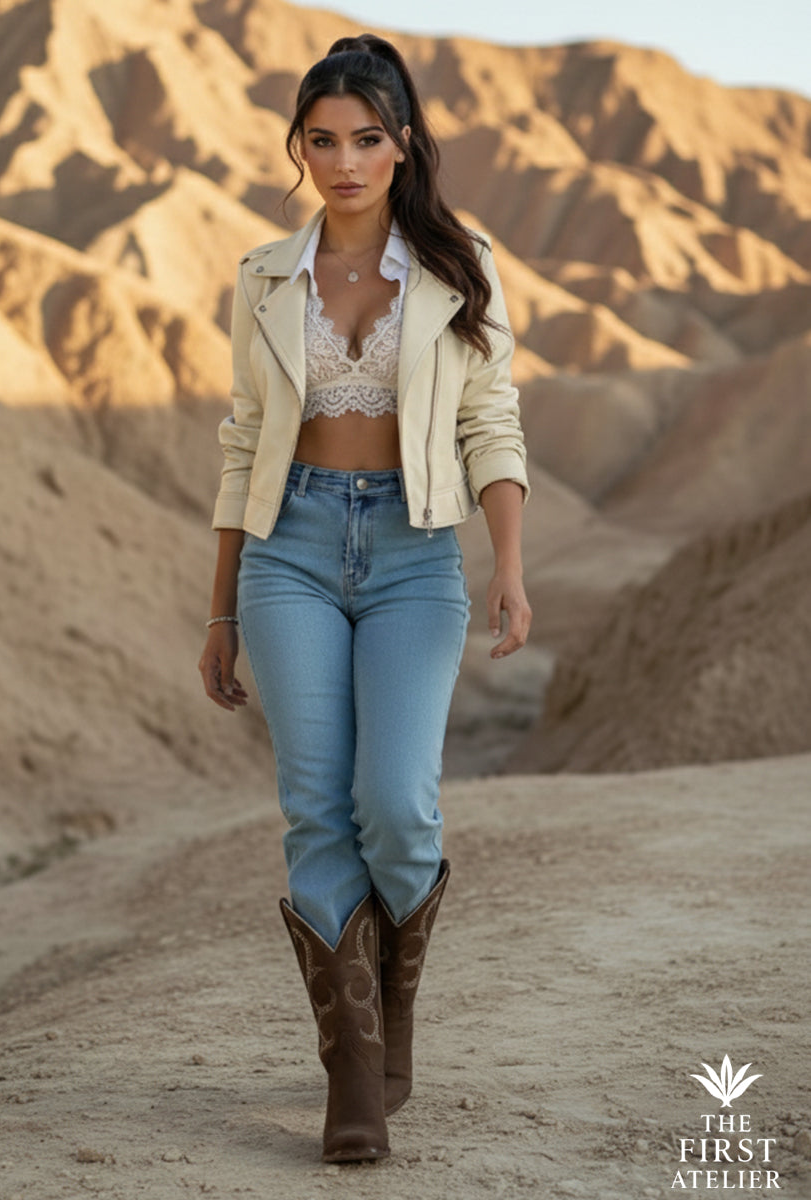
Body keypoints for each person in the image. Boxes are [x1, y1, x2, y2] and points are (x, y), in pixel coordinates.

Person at [198, 33, 530, 1164]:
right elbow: (243, 440)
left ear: (403, 145)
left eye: (366, 140)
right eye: (322, 140)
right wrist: (220, 608)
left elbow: (491, 419)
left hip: (413, 552)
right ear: (298, 147)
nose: (343, 163)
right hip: (287, 548)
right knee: (314, 804)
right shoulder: (263, 276)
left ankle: (395, 1010)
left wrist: (510, 564)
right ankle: (352, 1071)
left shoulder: (460, 266)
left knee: (396, 803)